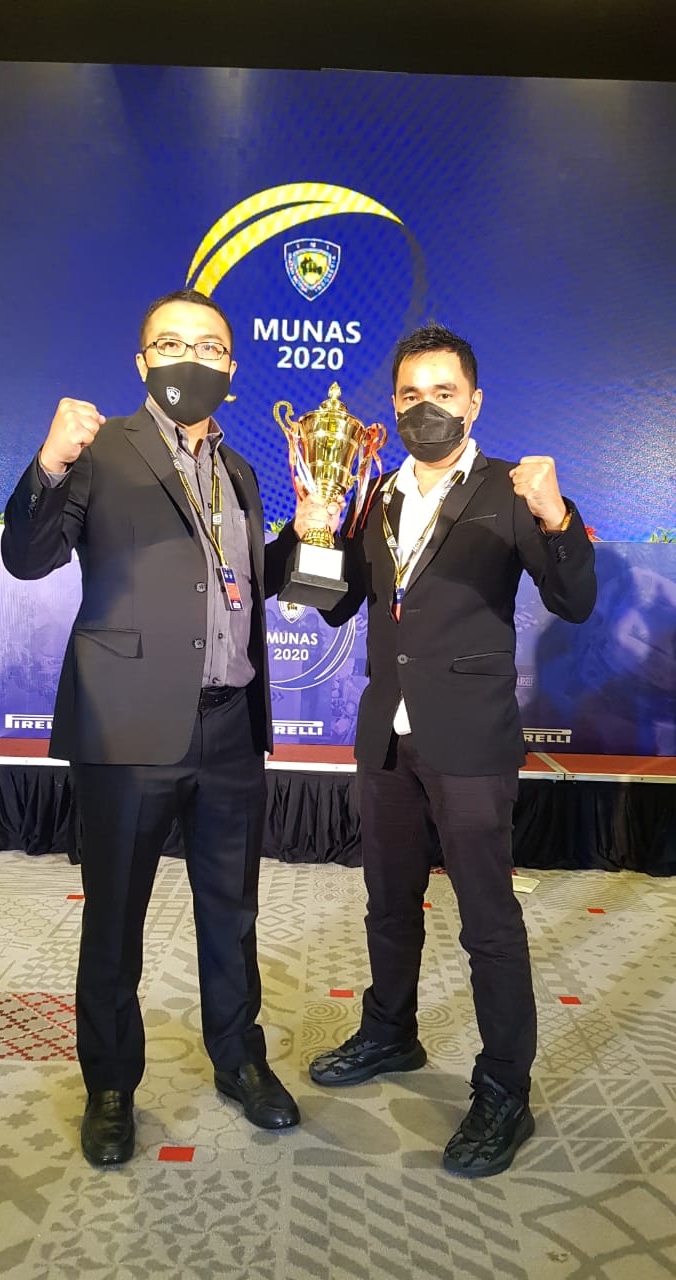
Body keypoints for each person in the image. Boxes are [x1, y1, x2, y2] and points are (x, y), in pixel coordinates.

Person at [1, 289, 321, 1166]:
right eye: (172, 343)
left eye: (209, 346)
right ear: (143, 362)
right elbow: (26, 557)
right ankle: (110, 1086)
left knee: (233, 913)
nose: (192, 357)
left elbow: (246, 581)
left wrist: (308, 534)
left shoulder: (241, 469)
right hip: (128, 724)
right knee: (115, 919)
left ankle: (238, 1059)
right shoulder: (101, 449)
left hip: (230, 725)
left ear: (232, 367)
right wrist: (50, 463)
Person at [308, 322, 597, 1177]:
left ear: (474, 402)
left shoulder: (511, 489)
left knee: (488, 923)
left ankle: (504, 1088)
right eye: (409, 394)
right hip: (387, 735)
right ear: (392, 405)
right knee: (389, 904)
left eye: (443, 392)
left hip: (470, 737)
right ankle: (389, 1032)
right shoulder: (374, 491)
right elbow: (332, 605)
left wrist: (557, 515)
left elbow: (574, 600)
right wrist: (316, 535)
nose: (424, 407)